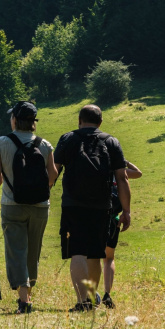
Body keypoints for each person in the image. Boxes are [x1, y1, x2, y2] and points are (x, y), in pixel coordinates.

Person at [53, 104, 130, 312]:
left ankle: (83, 301)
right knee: (95, 254)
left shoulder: (68, 139)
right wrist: (126, 211)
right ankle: (91, 297)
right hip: (102, 206)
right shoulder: (111, 141)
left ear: (79, 120)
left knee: (77, 251)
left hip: (73, 205)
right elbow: (122, 179)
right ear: (100, 122)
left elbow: (53, 170)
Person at [0, 101, 57, 314]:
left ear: (15, 119)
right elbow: (52, 176)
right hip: (40, 207)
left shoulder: (1, 142)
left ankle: (24, 300)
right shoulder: (45, 145)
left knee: (16, 251)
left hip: (12, 204)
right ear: (33, 122)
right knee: (33, 251)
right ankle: (28, 291)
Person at [100, 160, 142, 309]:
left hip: (94, 216)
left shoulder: (97, 169)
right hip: (113, 219)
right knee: (109, 258)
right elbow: (138, 173)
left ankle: (89, 294)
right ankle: (107, 294)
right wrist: (125, 162)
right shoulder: (120, 172)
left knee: (91, 256)